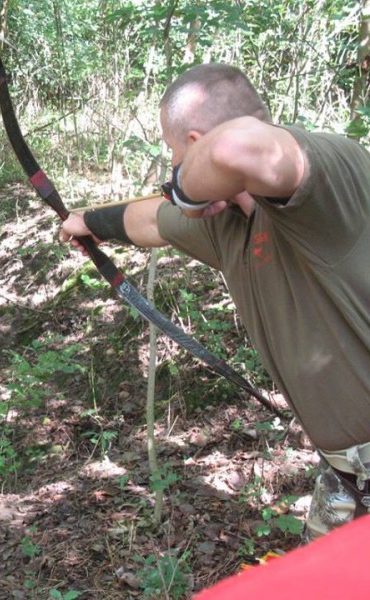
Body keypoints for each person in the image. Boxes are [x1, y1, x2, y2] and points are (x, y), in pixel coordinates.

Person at [59, 63, 370, 541]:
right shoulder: (229, 224)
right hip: (347, 476)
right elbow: (152, 221)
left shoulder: (330, 172)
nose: (171, 168)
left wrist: (186, 187)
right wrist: (89, 221)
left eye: (175, 152)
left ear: (197, 142)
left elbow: (236, 147)